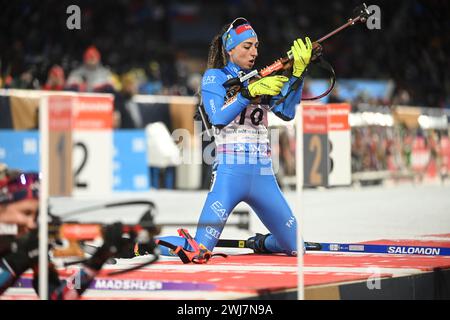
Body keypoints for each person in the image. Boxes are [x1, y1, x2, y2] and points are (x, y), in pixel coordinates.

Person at [154, 17, 312, 260]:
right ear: (230, 49)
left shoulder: (262, 77)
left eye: (256, 46)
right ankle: (148, 243)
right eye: (246, 46)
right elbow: (217, 117)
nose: (254, 52)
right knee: (199, 251)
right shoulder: (214, 77)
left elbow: (286, 112)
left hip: (263, 175)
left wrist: (297, 76)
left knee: (296, 248)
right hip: (229, 174)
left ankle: (259, 243)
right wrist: (247, 94)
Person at [0, 167, 129, 299]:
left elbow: (58, 297)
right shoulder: (23, 250)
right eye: (25, 213)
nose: (32, 223)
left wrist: (95, 263)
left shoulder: (26, 246)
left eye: (37, 215)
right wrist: (15, 261)